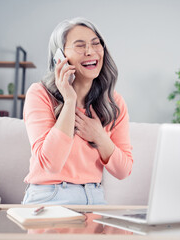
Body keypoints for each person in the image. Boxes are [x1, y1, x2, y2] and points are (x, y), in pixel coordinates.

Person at [22, 17, 133, 205]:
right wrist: (70, 100)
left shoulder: (114, 103)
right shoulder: (39, 94)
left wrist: (99, 136)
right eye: (80, 46)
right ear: (60, 56)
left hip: (95, 197)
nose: (90, 52)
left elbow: (123, 171)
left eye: (96, 44)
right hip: (49, 196)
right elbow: (51, 164)